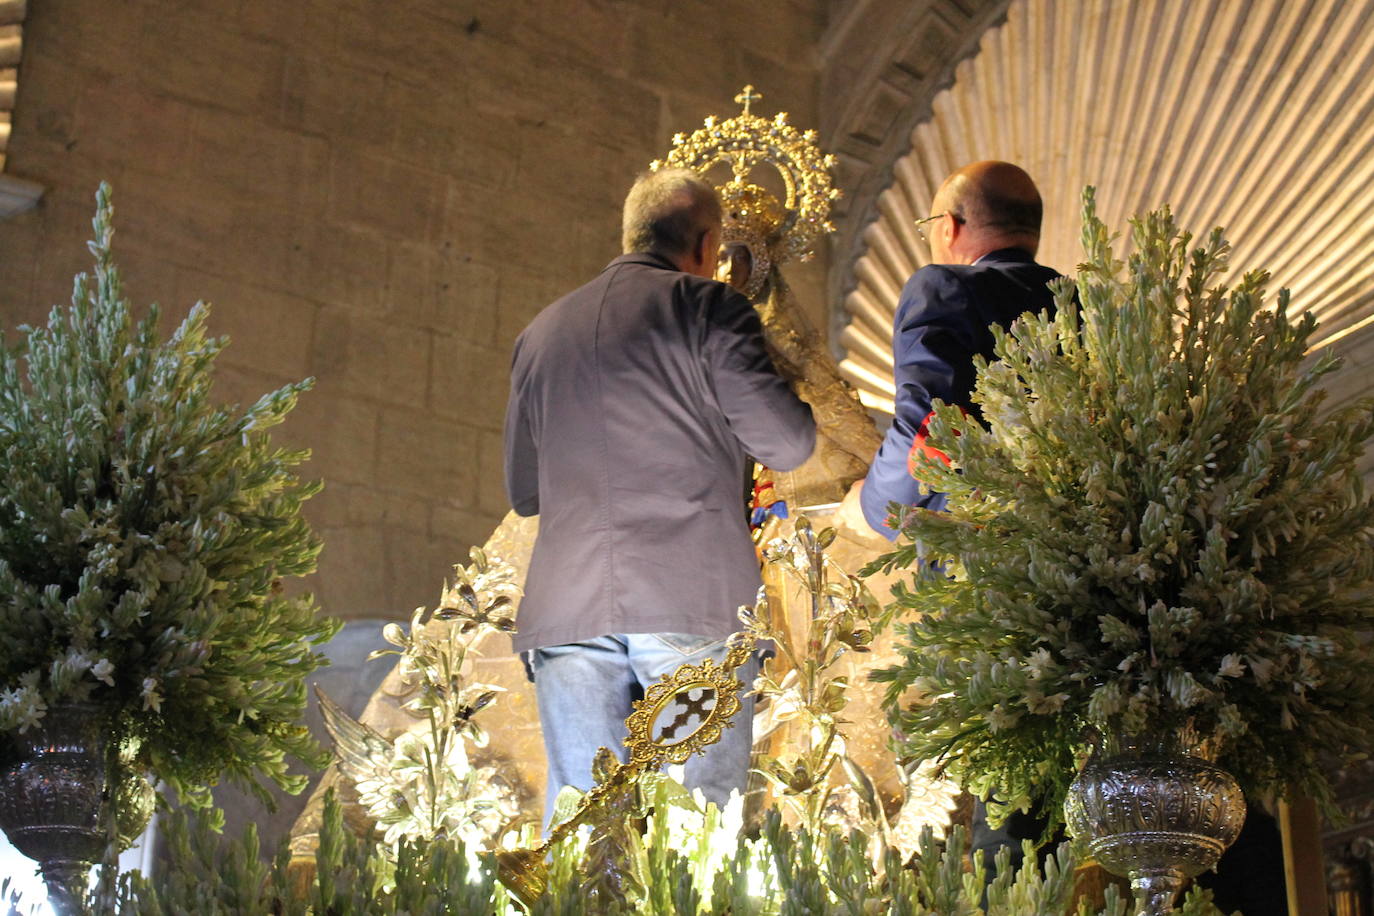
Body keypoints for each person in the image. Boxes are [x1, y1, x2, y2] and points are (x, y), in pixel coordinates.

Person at [504, 167, 816, 828]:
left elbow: (524, 491)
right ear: (707, 246)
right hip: (688, 602)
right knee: (695, 829)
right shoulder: (710, 307)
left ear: (629, 235)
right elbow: (788, 446)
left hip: (569, 609)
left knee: (585, 833)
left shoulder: (539, 335)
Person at [835, 159, 1060, 542]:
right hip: (1073, 544)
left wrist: (875, 507)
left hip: (981, 549)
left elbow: (933, 424)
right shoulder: (1078, 298)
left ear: (948, 227)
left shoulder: (943, 286)